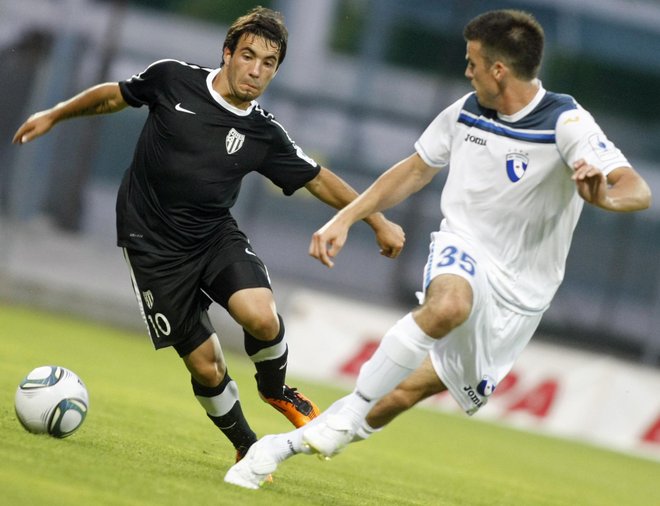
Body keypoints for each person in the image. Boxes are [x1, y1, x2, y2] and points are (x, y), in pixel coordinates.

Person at [223, 8, 652, 489]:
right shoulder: (466, 110)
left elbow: (637, 189)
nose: (466, 72)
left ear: (499, 70)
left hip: (522, 295)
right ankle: (355, 406)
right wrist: (346, 218)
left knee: (405, 392)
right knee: (448, 304)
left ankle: (285, 444)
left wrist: (604, 197)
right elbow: (413, 169)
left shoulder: (566, 122)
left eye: (473, 62)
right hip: (463, 248)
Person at [12, 7, 404, 462]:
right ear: (227, 53)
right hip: (151, 246)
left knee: (261, 315)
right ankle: (246, 447)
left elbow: (318, 178)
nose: (255, 71)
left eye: (268, 63)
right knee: (206, 364)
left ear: (276, 69)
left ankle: (277, 391)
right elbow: (116, 96)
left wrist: (375, 220)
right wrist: (55, 115)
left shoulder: (263, 132)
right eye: (248, 56)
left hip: (213, 236)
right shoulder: (172, 79)